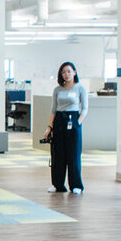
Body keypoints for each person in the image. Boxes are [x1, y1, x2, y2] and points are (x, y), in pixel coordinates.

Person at [43, 61, 87, 194]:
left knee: (73, 155)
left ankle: (76, 185)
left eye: (69, 71)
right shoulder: (57, 90)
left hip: (73, 120)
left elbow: (84, 109)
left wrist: (77, 122)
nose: (66, 74)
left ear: (74, 72)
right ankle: (58, 185)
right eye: (63, 72)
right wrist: (49, 127)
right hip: (59, 121)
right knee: (58, 155)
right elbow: (53, 109)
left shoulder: (80, 88)